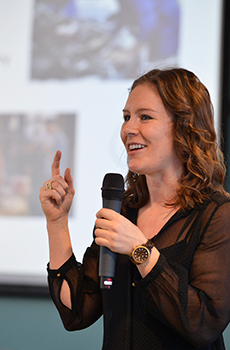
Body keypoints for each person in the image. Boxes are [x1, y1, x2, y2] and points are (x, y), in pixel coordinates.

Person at [39, 68, 230, 350]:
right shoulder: (122, 211)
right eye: (127, 117)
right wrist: (57, 223)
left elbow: (202, 323)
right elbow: (76, 312)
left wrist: (140, 250)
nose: (128, 129)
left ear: (184, 127)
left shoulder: (217, 215)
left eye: (145, 117)